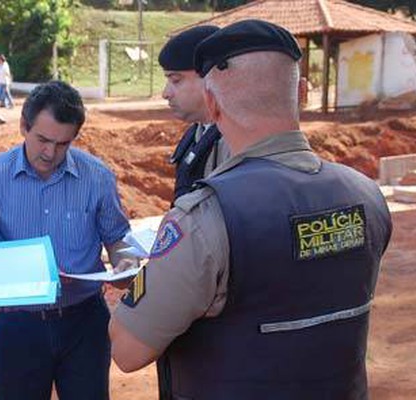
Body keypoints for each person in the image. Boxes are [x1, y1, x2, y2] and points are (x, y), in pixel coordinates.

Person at [109, 19, 393, 400]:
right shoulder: (367, 195)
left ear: (212, 103)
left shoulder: (205, 219)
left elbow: (128, 350)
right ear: (303, 93)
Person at [0, 80, 137, 400]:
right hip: (19, 325)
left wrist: (125, 261)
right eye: (42, 139)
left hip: (85, 322)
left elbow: (117, 237)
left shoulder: (96, 177)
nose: (50, 152)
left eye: (63, 144)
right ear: (23, 126)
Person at [159, 25, 229, 202]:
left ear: (210, 78)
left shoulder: (235, 143)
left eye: (176, 80)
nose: (165, 93)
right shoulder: (196, 135)